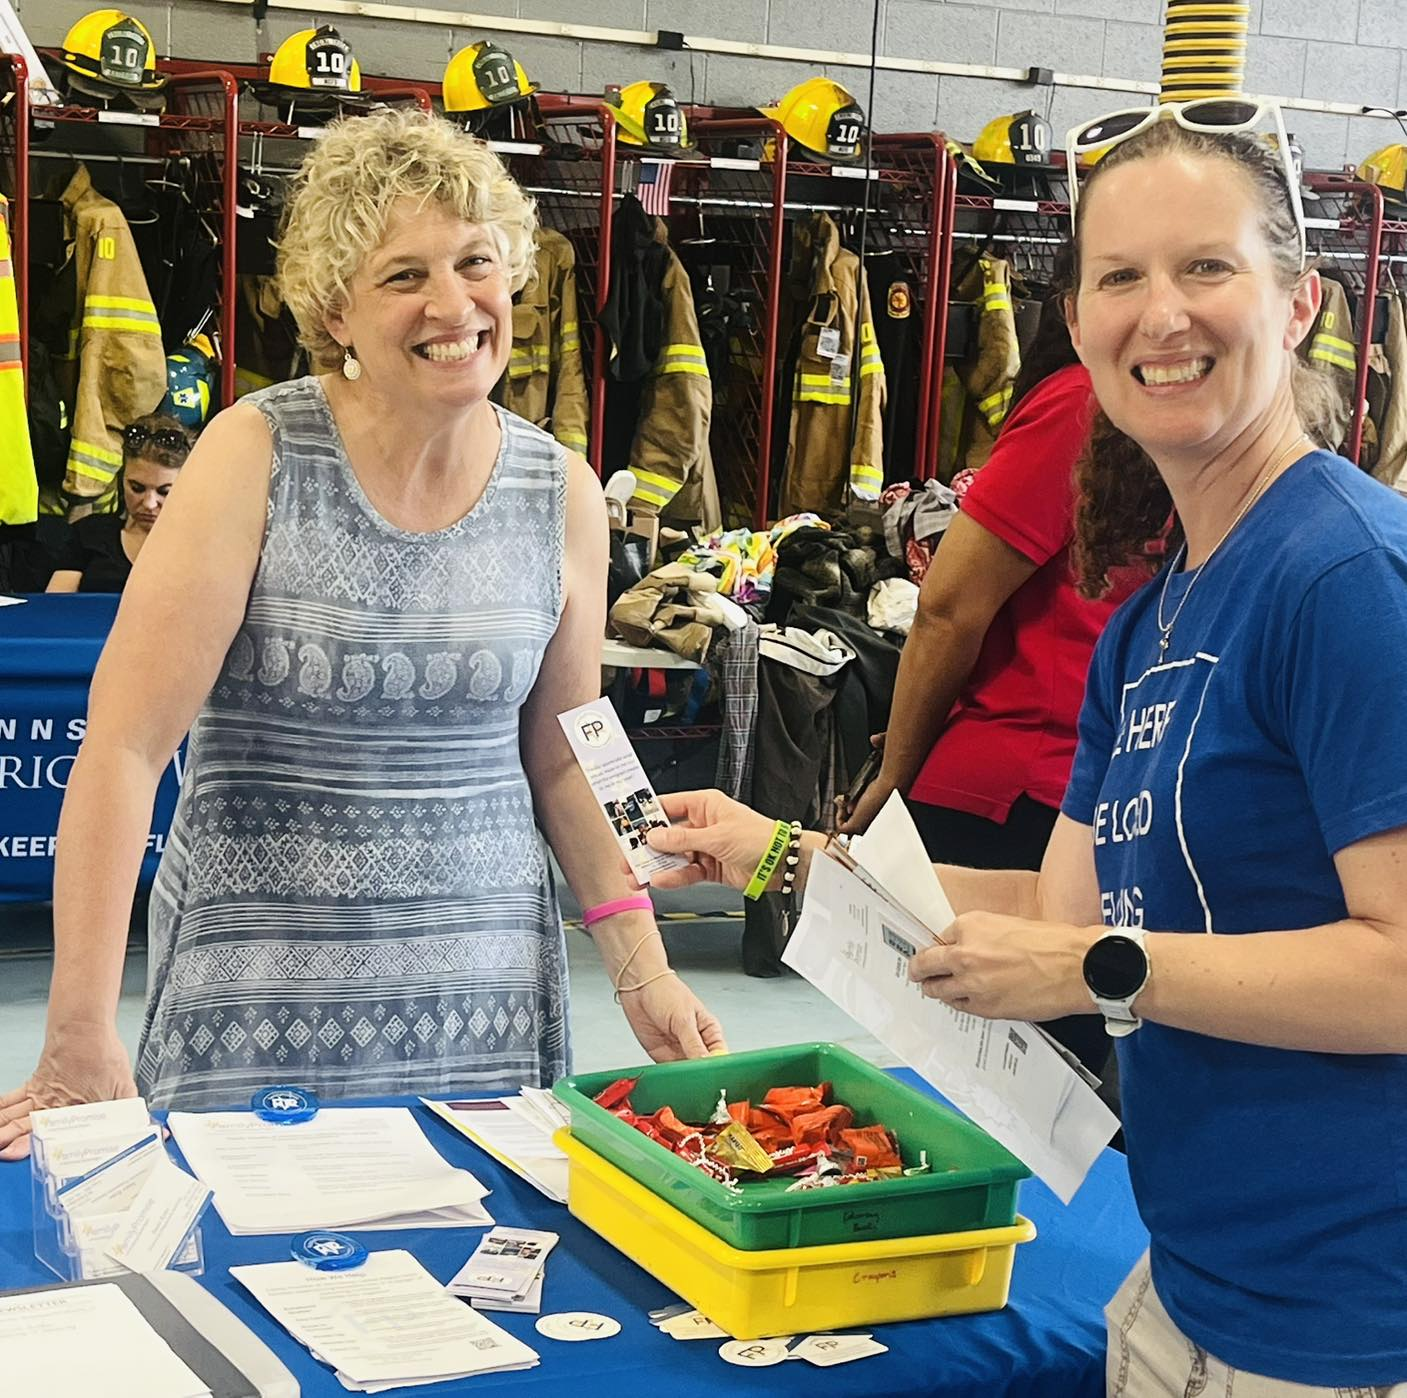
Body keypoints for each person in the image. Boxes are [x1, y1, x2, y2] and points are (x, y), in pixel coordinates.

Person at [636, 110, 1407, 1393]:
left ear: (1298, 304)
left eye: (1206, 267)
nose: (1162, 313)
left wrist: (1100, 968)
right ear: (1082, 324)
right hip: (1188, 1283)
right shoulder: (1149, 621)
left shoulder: (1350, 580)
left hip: (1348, 1320)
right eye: (1121, 277)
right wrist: (779, 854)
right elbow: (1058, 909)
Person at [0, 108, 723, 1152]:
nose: (453, 305)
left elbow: (574, 755)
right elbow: (121, 748)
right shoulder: (254, 454)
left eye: (476, 262)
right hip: (254, 1011)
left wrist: (643, 969)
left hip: (483, 1012)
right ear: (335, 309)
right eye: (404, 276)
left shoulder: (560, 488)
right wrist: (77, 1033)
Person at [839, 282, 1147, 1077]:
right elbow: (947, 607)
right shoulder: (1083, 405)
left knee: (1052, 1090)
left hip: (1086, 791)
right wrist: (893, 775)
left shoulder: (1151, 414)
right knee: (1010, 1093)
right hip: (1018, 790)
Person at [46, 415, 193, 593]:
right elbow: (56, 602)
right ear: (121, 480)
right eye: (136, 488)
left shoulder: (202, 547)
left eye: (164, 492)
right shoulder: (89, 534)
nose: (149, 503)